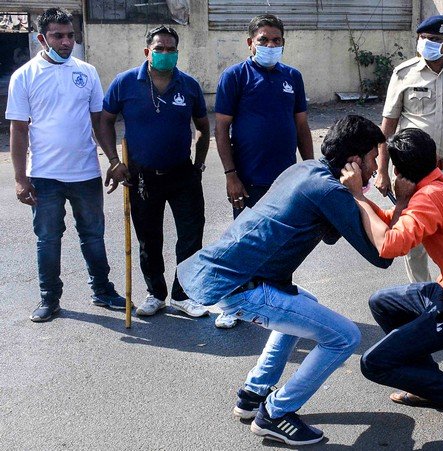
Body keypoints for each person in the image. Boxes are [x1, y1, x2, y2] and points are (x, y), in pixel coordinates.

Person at [176, 115, 392, 446]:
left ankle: (253, 393)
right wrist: (360, 198)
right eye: (373, 158)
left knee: (305, 306)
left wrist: (350, 198)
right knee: (345, 337)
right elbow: (382, 256)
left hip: (231, 276)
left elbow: (332, 234)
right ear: (354, 160)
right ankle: (275, 414)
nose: (377, 168)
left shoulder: (305, 170)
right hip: (244, 288)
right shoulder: (329, 191)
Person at [340, 128, 443, 442]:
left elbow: (388, 245)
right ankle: (427, 383)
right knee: (382, 302)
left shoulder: (430, 198)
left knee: (374, 363)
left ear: (400, 172)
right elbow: (393, 220)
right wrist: (395, 201)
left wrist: (359, 198)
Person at [6, 8, 126, 322]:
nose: (66, 41)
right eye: (58, 36)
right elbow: (18, 130)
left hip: (85, 172)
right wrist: (20, 179)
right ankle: (49, 299)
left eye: (70, 35)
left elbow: (99, 121)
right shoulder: (25, 76)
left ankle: (102, 291)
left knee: (94, 236)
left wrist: (113, 160)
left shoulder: (87, 72)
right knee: (47, 239)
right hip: (44, 176)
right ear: (42, 38)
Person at [99, 25, 211, 318]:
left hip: (182, 174)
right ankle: (156, 293)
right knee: (149, 238)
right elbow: (104, 121)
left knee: (190, 235)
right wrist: (114, 160)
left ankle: (183, 294)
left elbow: (203, 128)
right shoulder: (125, 83)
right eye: (158, 48)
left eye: (170, 49)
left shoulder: (189, 86)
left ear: (177, 52)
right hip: (141, 177)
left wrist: (198, 165)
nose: (164, 53)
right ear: (147, 51)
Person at [213, 13, 314, 328]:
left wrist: (310, 168)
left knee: (281, 245)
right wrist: (231, 174)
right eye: (264, 40)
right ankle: (235, 305)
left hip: (285, 181)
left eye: (276, 41)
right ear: (250, 43)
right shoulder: (235, 77)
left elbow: (301, 126)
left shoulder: (292, 77)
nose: (271, 45)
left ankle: (276, 302)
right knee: (245, 244)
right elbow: (221, 130)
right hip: (247, 180)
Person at [376, 15, 443, 284]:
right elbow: (387, 128)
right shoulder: (404, 73)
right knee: (414, 243)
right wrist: (381, 170)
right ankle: (421, 296)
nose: (427, 44)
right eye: (423, 38)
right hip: (412, 174)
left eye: (435, 40)